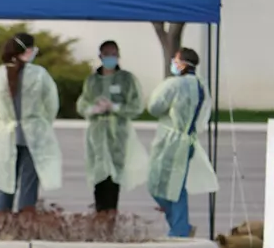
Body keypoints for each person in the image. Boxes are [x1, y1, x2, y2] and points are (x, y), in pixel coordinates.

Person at [147, 47, 219, 237]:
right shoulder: (201, 85)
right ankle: (180, 226)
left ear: (182, 64)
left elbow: (154, 107)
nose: (173, 63)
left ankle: (180, 228)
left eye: (175, 60)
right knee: (176, 185)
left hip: (170, 141)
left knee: (159, 185)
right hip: (188, 141)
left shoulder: (174, 85)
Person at [0, 33, 62, 212]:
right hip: (34, 136)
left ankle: (0, 221)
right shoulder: (38, 74)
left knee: (6, 183)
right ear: (28, 50)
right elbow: (52, 103)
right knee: (29, 185)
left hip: (8, 135)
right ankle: (25, 223)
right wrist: (42, 122)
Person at [76, 40, 149, 212]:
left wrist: (114, 107)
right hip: (97, 135)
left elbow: (136, 106)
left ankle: (110, 215)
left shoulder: (126, 80)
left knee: (114, 178)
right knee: (99, 176)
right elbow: (82, 105)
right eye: (107, 54)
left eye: (114, 54)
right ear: (100, 56)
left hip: (117, 135)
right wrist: (94, 109)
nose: (111, 58)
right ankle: (100, 215)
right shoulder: (92, 81)